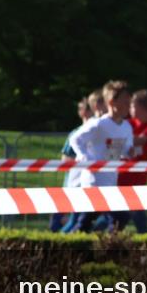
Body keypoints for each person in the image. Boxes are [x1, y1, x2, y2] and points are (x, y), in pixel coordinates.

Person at [62, 81, 134, 233]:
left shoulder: (127, 127)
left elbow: (124, 149)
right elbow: (75, 139)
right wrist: (83, 156)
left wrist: (129, 152)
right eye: (125, 102)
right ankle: (106, 247)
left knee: (85, 223)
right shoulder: (98, 124)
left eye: (130, 102)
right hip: (94, 181)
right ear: (111, 102)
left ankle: (81, 246)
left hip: (110, 180)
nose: (129, 106)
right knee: (120, 217)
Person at [113, 89, 147, 233]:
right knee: (120, 209)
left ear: (142, 108)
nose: (129, 109)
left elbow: (141, 140)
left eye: (132, 106)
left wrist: (121, 140)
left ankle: (143, 233)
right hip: (121, 173)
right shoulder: (127, 123)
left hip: (138, 175)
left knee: (135, 208)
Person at [50, 97, 94, 232]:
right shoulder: (76, 134)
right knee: (68, 221)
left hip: (85, 183)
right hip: (73, 182)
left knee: (75, 220)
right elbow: (65, 159)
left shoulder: (96, 133)